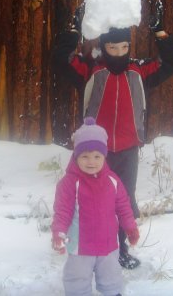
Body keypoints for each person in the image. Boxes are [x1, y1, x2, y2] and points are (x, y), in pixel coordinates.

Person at [52, 0, 173, 269]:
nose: (119, 52)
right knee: (92, 201)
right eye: (113, 47)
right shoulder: (91, 70)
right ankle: (86, 248)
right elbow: (61, 59)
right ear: (104, 46)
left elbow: (171, 62)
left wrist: (159, 31)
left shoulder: (139, 71)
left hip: (128, 149)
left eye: (124, 47)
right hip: (95, 152)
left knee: (123, 199)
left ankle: (119, 248)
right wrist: (73, 29)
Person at [51, 117, 140, 296]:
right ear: (76, 156)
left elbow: (123, 207)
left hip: (108, 244)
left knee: (111, 275)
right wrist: (59, 232)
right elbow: (62, 211)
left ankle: (113, 292)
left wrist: (130, 227)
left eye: (97, 156)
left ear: (104, 156)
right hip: (80, 246)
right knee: (77, 276)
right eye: (85, 156)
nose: (91, 161)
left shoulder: (112, 180)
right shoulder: (69, 183)